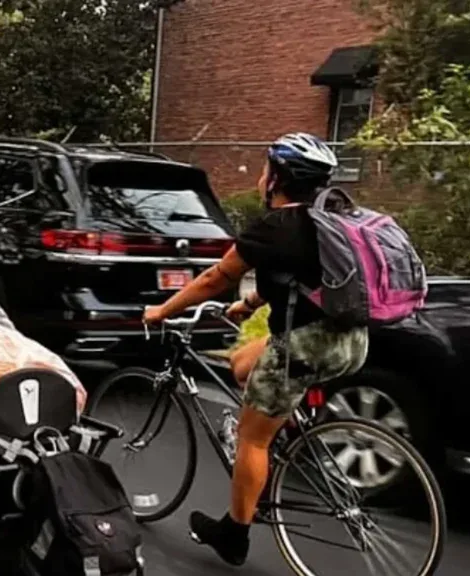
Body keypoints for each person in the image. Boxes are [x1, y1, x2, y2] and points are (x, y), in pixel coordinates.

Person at [143, 133, 369, 566]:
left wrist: (162, 310)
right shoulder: (331, 220)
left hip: (306, 344)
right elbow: (301, 276)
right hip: (350, 340)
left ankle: (234, 533)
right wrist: (248, 305)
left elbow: (215, 277)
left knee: (252, 437)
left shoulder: (277, 225)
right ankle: (283, 431)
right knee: (242, 362)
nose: (262, 175)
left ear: (277, 178)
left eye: (266, 168)